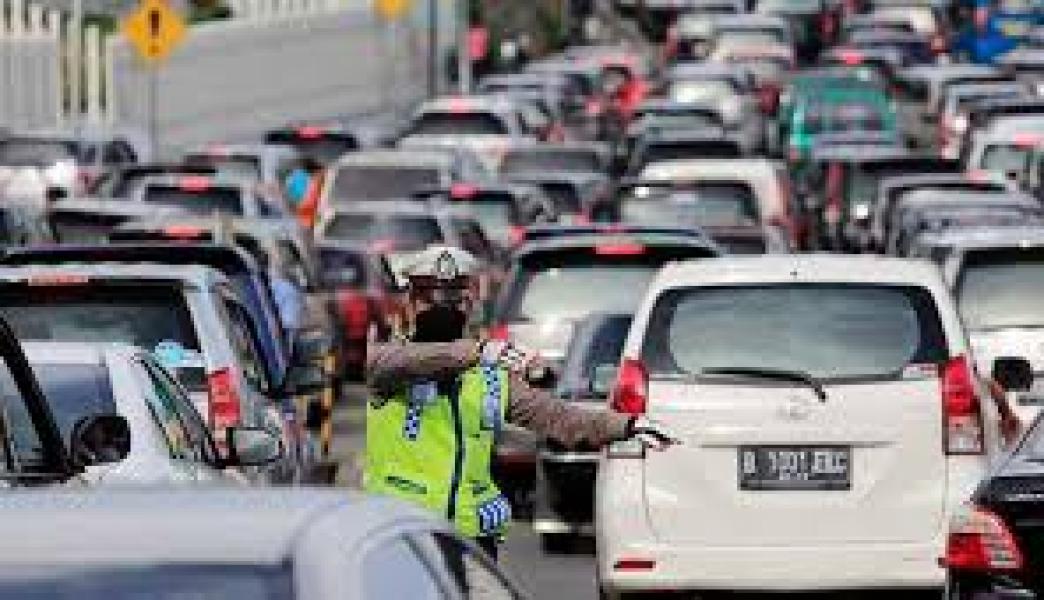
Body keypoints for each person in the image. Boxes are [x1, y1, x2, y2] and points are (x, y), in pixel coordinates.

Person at [363, 245, 673, 559]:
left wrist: (627, 425)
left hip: (471, 540)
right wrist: (475, 351)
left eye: (455, 300)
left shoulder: (489, 376)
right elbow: (407, 361)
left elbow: (558, 417)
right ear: (410, 304)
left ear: (470, 305)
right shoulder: (389, 364)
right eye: (432, 299)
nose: (445, 310)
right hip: (404, 533)